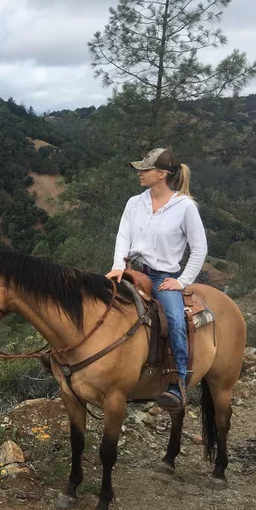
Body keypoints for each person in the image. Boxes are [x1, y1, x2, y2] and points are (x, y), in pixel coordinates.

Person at [105, 148, 207, 411]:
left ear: (162, 174)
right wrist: (118, 265)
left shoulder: (185, 207)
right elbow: (122, 237)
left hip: (163, 277)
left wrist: (182, 281)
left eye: (145, 169)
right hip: (131, 271)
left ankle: (178, 382)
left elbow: (199, 248)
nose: (140, 173)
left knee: (174, 320)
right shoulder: (133, 202)